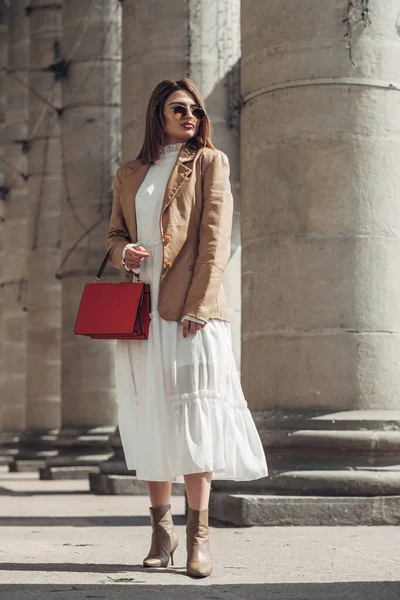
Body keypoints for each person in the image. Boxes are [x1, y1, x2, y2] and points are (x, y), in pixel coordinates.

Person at [106, 78, 268, 578]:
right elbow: (114, 234)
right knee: (153, 418)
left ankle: (199, 537)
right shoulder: (129, 173)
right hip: (140, 310)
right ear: (158, 113)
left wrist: (200, 302)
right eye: (179, 109)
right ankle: (161, 532)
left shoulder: (209, 163)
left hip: (191, 312)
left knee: (195, 422)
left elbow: (215, 241)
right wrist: (124, 252)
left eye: (196, 110)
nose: (190, 116)